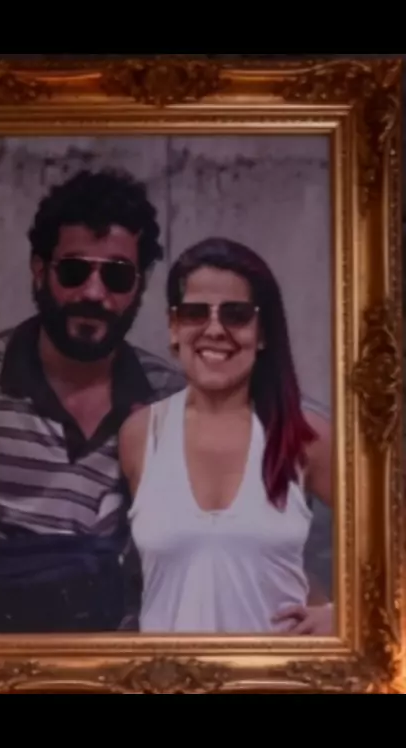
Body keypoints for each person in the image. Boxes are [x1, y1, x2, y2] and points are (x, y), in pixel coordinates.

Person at [0, 168, 185, 633]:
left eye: (117, 276)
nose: (94, 293)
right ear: (40, 270)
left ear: (140, 283)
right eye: (74, 271)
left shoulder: (171, 398)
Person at [118, 237, 333, 635]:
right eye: (195, 313)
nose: (214, 329)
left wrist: (346, 615)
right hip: (162, 670)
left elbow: (388, 537)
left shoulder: (306, 434)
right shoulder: (140, 435)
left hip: (279, 671)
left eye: (236, 314)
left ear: (262, 332)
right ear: (174, 326)